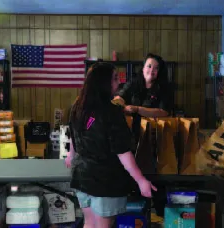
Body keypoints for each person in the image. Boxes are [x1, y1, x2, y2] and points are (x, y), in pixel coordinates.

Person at [64, 62, 157, 228]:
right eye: (115, 78)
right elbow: (122, 152)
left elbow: (74, 132)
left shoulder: (78, 105)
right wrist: (141, 180)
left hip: (81, 175)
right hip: (104, 179)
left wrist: (71, 155)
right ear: (103, 83)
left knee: (89, 223)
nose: (118, 83)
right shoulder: (111, 112)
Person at [113, 53, 172, 216]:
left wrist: (138, 109)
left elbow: (164, 111)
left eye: (156, 68)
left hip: (155, 138)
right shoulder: (134, 83)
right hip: (132, 137)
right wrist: (119, 103)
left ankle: (160, 214)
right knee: (133, 175)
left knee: (157, 178)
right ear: (143, 68)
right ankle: (139, 215)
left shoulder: (164, 88)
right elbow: (120, 97)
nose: (152, 70)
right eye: (149, 66)